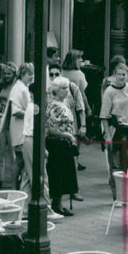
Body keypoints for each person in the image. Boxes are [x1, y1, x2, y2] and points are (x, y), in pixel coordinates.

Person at [100, 62, 128, 199]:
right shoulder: (109, 91)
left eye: (123, 74)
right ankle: (117, 195)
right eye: (118, 74)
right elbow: (104, 116)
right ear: (114, 75)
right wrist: (107, 135)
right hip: (114, 129)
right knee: (116, 165)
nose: (121, 77)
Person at [46, 76, 79, 217]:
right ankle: (56, 204)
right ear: (56, 90)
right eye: (63, 88)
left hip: (64, 143)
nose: (67, 91)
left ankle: (59, 203)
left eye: (67, 88)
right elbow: (51, 129)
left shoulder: (64, 102)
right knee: (58, 174)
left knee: (64, 174)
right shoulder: (54, 105)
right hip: (57, 143)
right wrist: (69, 136)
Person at [50, 61, 87, 176]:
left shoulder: (71, 87)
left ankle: (73, 192)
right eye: (51, 74)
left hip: (72, 129)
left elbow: (80, 107)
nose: (54, 77)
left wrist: (83, 125)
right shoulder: (48, 89)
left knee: (73, 158)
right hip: (55, 133)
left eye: (57, 74)